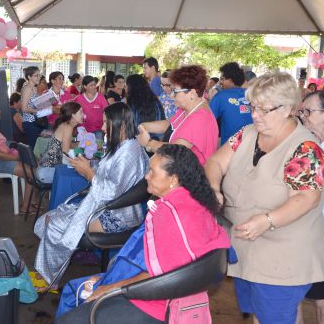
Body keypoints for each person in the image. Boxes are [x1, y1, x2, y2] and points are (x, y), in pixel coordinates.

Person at [204, 72, 324, 324]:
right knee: (262, 316)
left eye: (264, 109)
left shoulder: (305, 148)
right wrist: (215, 188)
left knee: (275, 315)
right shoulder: (247, 133)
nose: (255, 115)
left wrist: (267, 220)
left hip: (283, 256)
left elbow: (306, 199)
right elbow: (215, 162)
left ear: (287, 109)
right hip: (246, 249)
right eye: (253, 107)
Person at [56, 144, 230, 323]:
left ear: (174, 179)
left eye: (152, 172)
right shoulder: (194, 201)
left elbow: (161, 275)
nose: (146, 176)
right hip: (160, 287)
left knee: (70, 308)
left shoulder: (170, 215)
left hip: (155, 300)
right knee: (77, 288)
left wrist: (109, 287)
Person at [34, 103, 149, 289]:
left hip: (117, 215)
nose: (102, 127)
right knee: (51, 216)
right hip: (106, 208)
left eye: (106, 122)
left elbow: (112, 192)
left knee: (54, 223)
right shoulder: (124, 146)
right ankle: (50, 271)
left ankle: (49, 278)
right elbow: (109, 177)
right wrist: (89, 167)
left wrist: (88, 173)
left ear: (119, 123)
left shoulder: (129, 152)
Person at [299, 90, 324, 324]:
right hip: (302, 230)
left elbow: (319, 184)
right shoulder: (303, 140)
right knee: (295, 291)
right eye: (302, 111)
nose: (303, 116)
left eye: (309, 111)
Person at [137, 65, 218, 165]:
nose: (171, 95)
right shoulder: (187, 108)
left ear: (192, 93)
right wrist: (144, 126)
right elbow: (169, 124)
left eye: (175, 91)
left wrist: (148, 143)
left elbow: (174, 151)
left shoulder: (200, 118)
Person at [0, 100, 35, 213]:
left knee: (32, 165)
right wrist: (16, 157)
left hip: (4, 158)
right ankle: (25, 206)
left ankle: (31, 202)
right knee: (31, 172)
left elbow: (2, 145)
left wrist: (17, 150)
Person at [37, 102, 84, 184]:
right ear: (73, 115)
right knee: (81, 177)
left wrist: (79, 146)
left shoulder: (65, 125)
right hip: (47, 171)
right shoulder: (68, 127)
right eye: (81, 112)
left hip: (44, 169)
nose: (83, 115)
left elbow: (65, 146)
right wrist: (81, 158)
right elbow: (66, 153)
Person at [209, 62, 253, 145]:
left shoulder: (221, 96)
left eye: (222, 79)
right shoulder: (251, 94)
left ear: (231, 79)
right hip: (252, 143)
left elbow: (207, 120)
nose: (220, 82)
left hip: (231, 146)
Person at [21, 66, 43, 148]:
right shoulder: (27, 89)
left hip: (35, 121)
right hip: (30, 122)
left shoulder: (34, 88)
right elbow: (24, 108)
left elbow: (33, 104)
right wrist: (37, 111)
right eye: (36, 75)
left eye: (39, 75)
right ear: (29, 77)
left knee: (37, 148)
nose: (39, 77)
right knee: (33, 148)